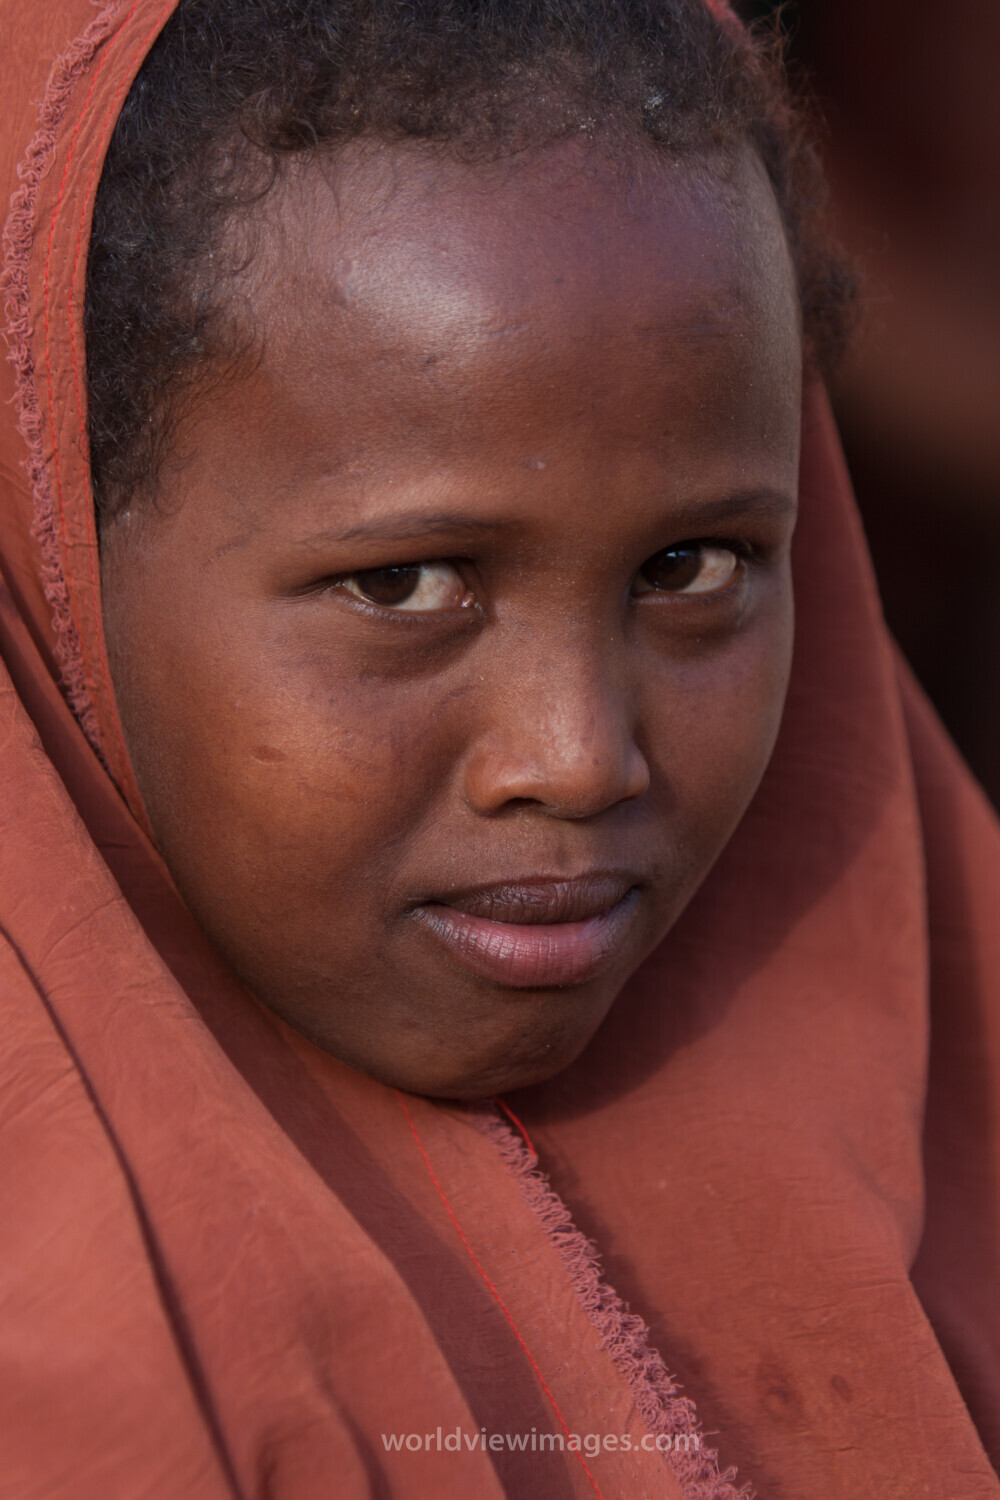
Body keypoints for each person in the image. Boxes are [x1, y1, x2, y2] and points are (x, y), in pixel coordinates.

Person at [0, 2, 997, 1496]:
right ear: (57, 554)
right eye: (404, 586)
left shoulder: (945, 1140)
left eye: (692, 569)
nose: (581, 759)